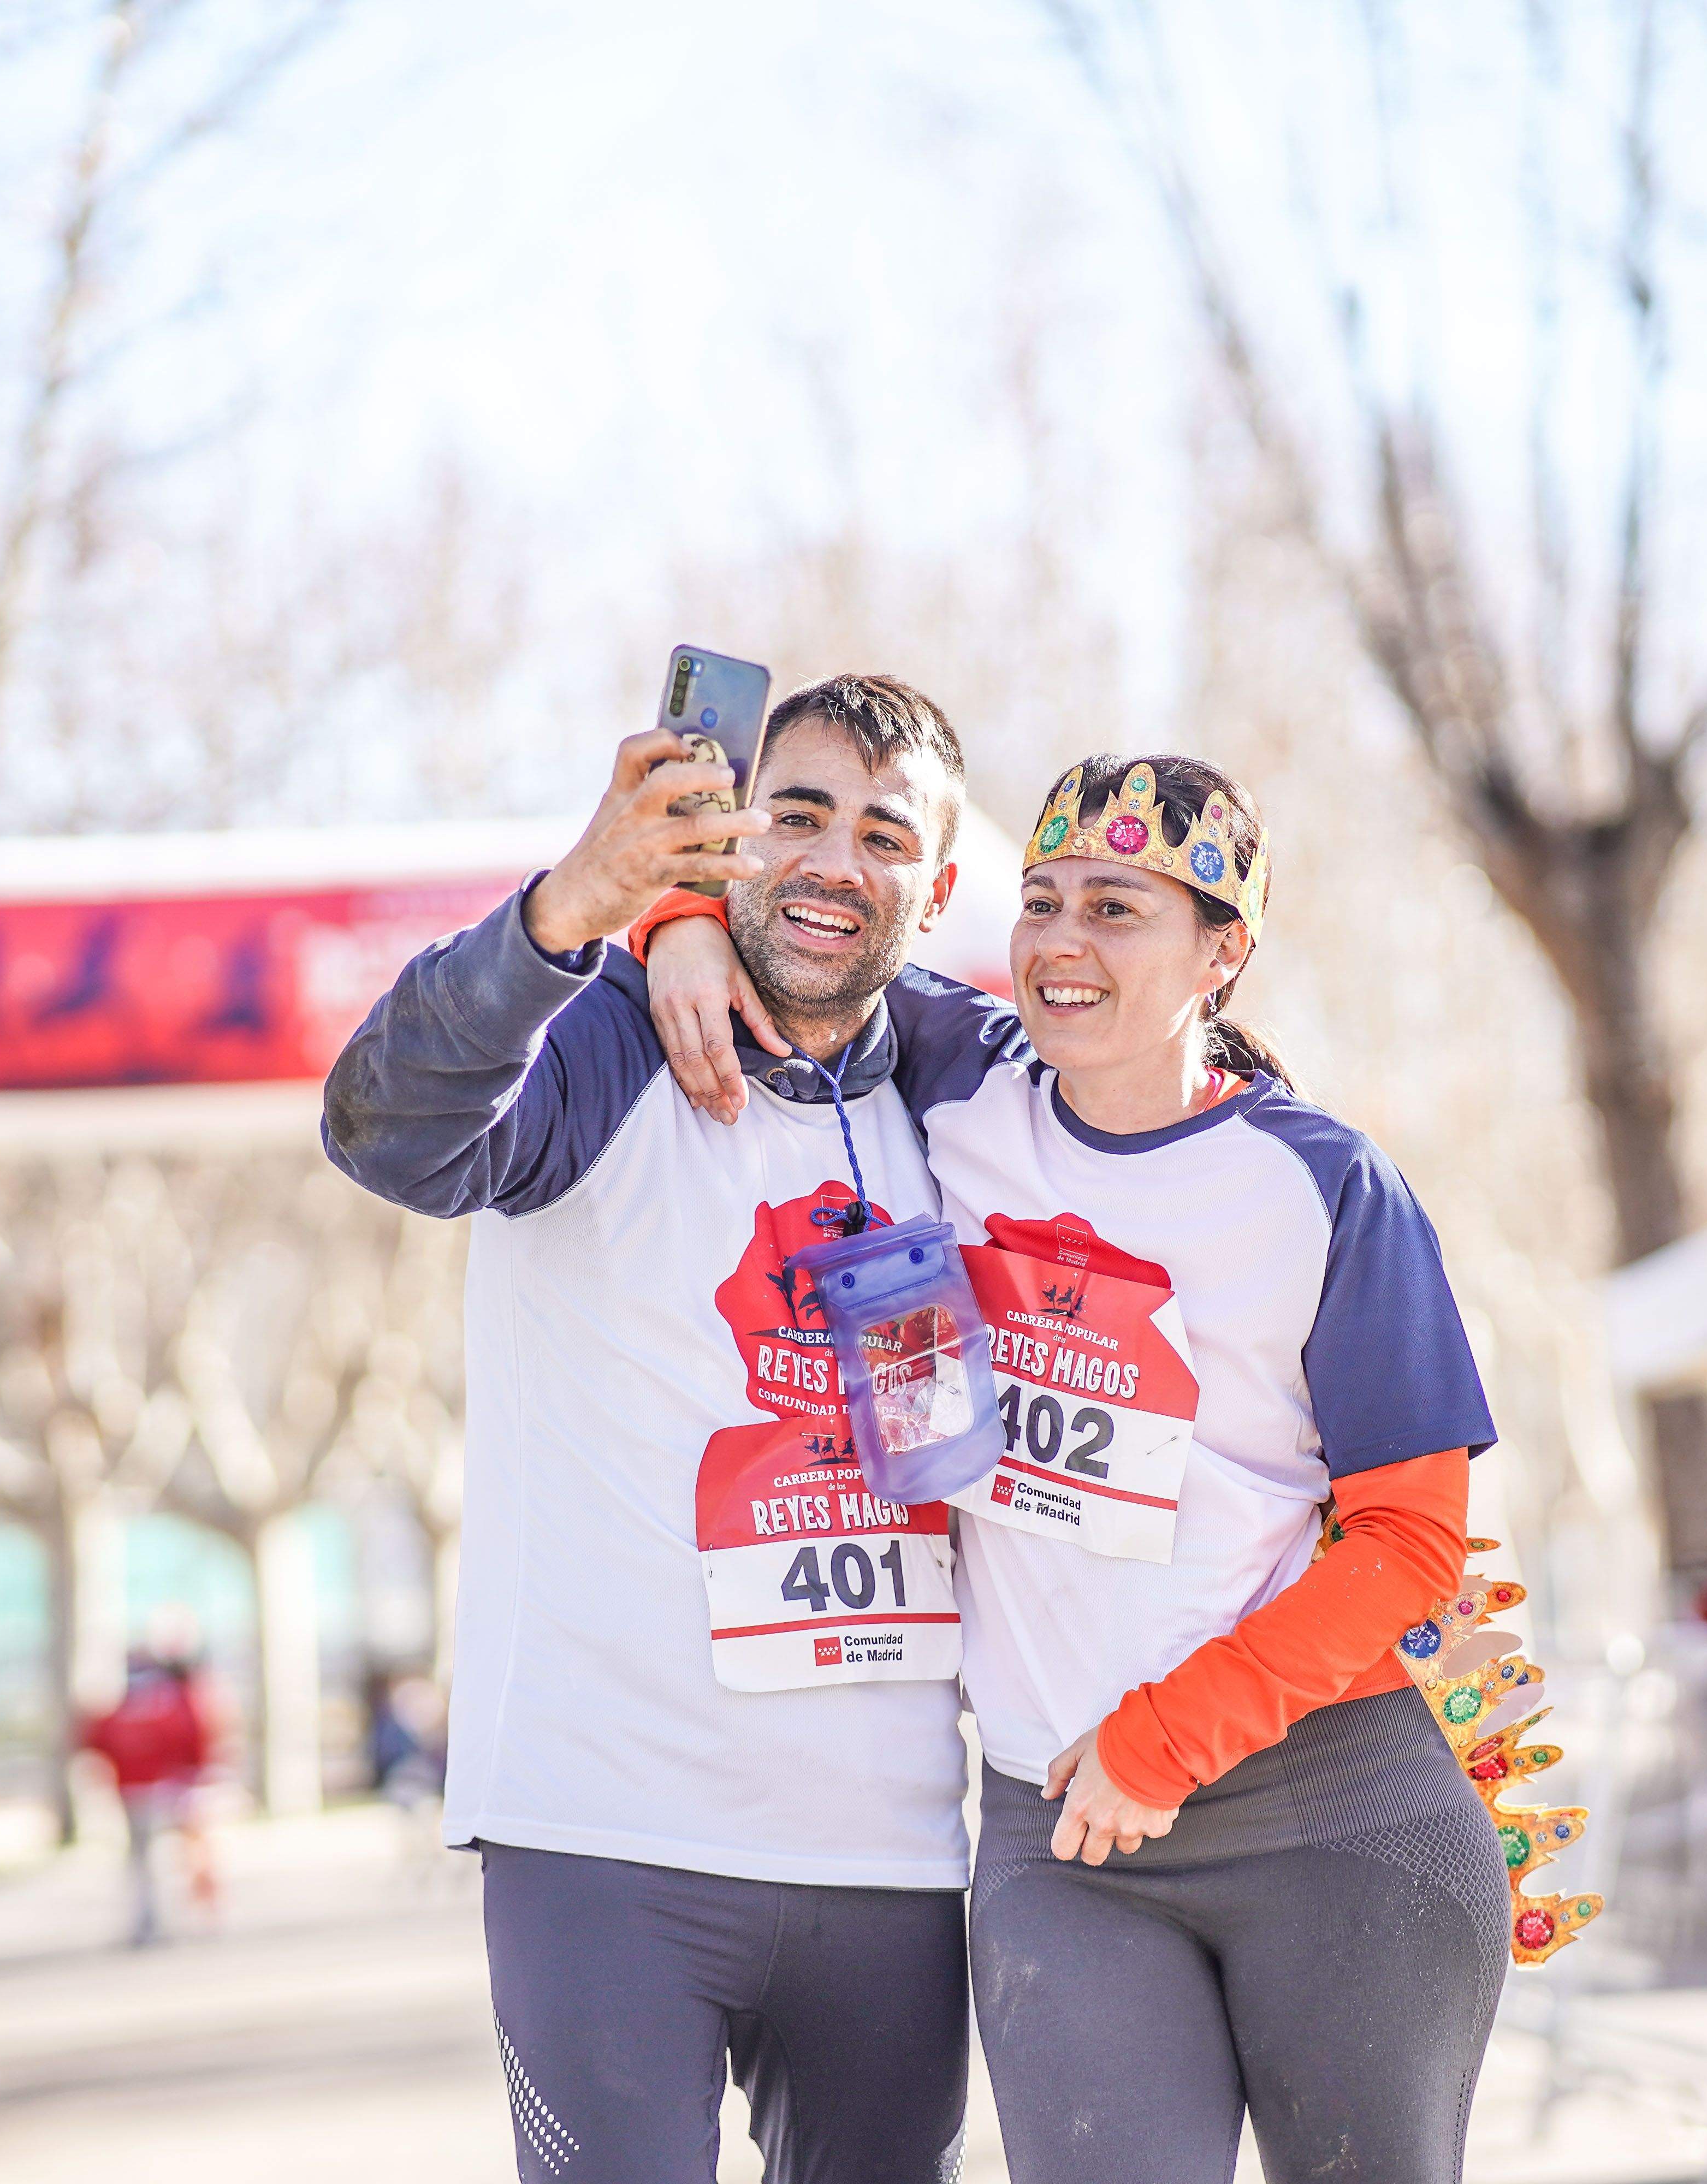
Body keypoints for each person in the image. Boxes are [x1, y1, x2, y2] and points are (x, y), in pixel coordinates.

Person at [641, 752, 1513, 2182]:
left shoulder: (1327, 1185)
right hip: (1063, 1847)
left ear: (1220, 951)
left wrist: (1167, 1736)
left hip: (1333, 1819)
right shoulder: (957, 1088)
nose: (1060, 943)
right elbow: (801, 934)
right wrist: (675, 911)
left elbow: (1411, 1550)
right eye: (1042, 902)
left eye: (1117, 909)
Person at [320, 674, 1021, 2184]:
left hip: (893, 1862)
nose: (837, 860)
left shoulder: (966, 1097)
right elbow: (386, 1127)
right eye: (799, 814)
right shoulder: (598, 1042)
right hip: (607, 1843)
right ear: (730, 836)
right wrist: (593, 909)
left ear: (943, 885)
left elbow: (1138, 1096)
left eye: (885, 835)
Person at [81, 1610, 226, 1947]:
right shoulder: (173, 1697)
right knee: (176, 1856)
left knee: (155, 1860)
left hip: (147, 1788)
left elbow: (96, 1740)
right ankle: (184, 1917)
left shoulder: (129, 1701)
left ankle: (167, 1919)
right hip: (164, 1786)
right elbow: (193, 1737)